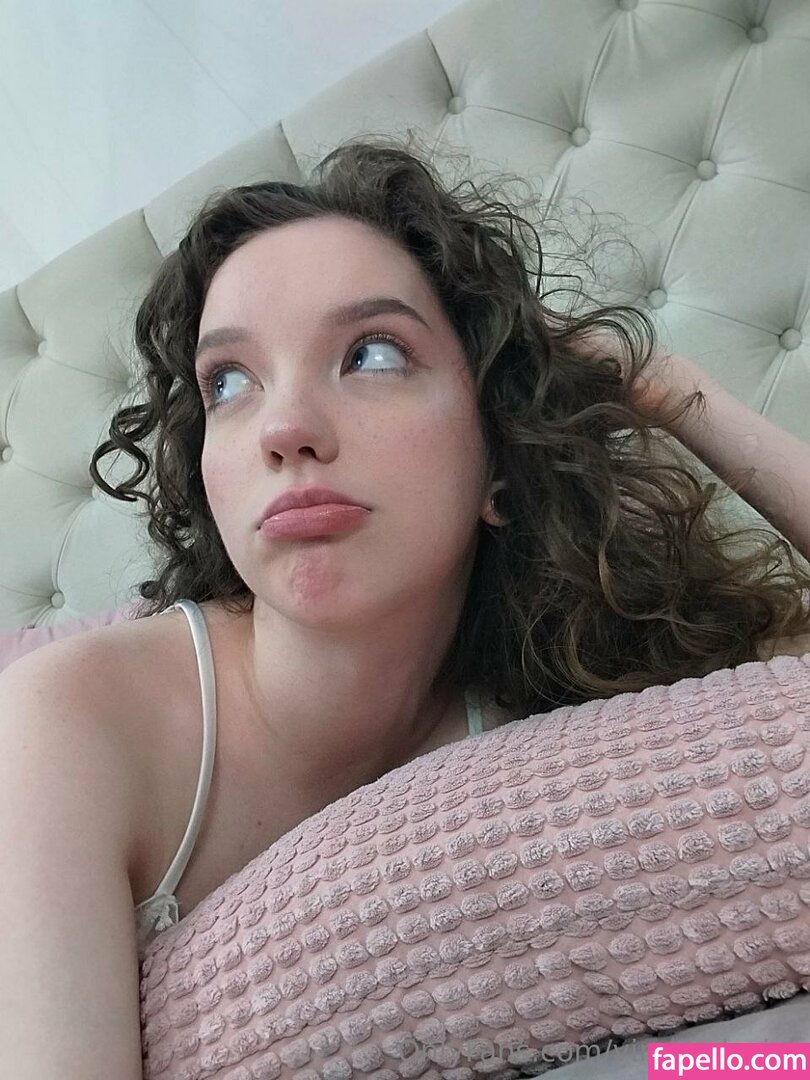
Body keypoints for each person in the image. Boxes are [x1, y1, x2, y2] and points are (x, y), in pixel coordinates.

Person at [2, 134, 810, 1078]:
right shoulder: (70, 721)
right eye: (229, 382)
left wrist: (670, 390)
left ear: (500, 457)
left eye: (373, 353)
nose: (284, 428)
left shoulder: (544, 714)